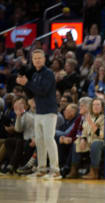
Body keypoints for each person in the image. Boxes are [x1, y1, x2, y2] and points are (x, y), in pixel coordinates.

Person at [16, 49, 61, 179]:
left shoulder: (48, 73)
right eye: (35, 58)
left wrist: (27, 83)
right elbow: (32, 91)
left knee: (48, 139)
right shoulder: (35, 75)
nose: (37, 60)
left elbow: (42, 91)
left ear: (44, 59)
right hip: (39, 112)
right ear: (32, 60)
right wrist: (25, 85)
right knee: (40, 141)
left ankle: (55, 170)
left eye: (39, 58)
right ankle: (41, 169)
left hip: (49, 111)